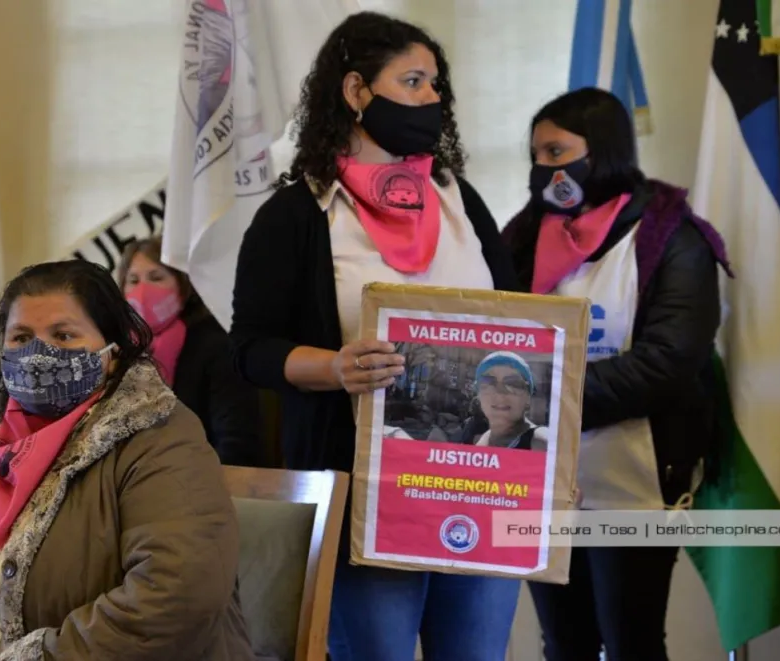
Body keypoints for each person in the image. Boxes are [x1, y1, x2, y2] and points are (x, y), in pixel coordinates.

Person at [230, 11, 521, 661]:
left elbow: (523, 330)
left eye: (435, 84)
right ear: (356, 92)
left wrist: (547, 458)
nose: (432, 99)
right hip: (362, 489)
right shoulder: (296, 213)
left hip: (482, 484)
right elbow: (247, 349)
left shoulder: (459, 199)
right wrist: (335, 366)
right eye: (413, 81)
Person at [0, 260, 254, 661]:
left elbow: (178, 592)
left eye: (64, 335)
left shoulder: (158, 436)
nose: (39, 355)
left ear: (112, 351)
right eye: (21, 337)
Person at [502, 87, 731, 661]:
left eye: (556, 152)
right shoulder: (524, 235)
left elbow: (668, 363)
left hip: (636, 480)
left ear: (602, 152)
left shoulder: (673, 237)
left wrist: (543, 399)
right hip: (542, 483)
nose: (543, 169)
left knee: (631, 641)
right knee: (564, 643)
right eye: (536, 155)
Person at [117, 236, 264, 467]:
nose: (143, 291)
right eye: (133, 280)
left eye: (156, 277)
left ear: (184, 285)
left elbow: (237, 442)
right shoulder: (118, 352)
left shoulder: (217, 345)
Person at [469, 351, 548, 451]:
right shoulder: (484, 440)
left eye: (513, 384)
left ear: (528, 397)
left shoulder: (540, 442)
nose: (500, 394)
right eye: (488, 382)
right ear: (478, 395)